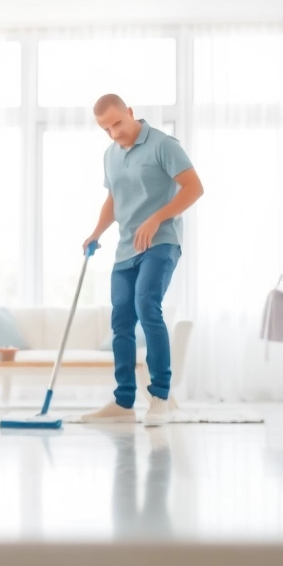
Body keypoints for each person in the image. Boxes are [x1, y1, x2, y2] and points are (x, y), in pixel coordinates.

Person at [81, 94, 204, 425]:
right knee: (121, 321)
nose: (114, 133)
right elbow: (113, 199)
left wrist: (156, 218)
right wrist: (96, 232)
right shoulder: (110, 155)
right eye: (105, 129)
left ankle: (160, 398)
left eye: (117, 123)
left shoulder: (163, 145)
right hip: (126, 249)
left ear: (130, 112)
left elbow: (194, 188)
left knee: (146, 306)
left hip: (162, 242)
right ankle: (123, 403)